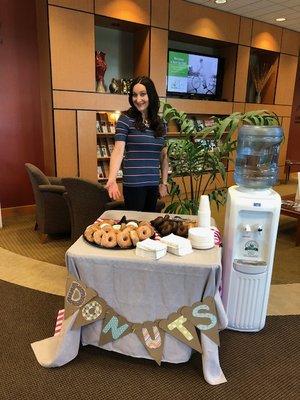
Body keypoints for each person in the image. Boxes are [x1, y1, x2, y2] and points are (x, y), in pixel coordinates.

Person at [105, 76, 169, 212]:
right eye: (134, 95)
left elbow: (163, 156)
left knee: (149, 225)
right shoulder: (125, 120)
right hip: (133, 184)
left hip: (153, 184)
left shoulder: (161, 124)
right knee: (134, 225)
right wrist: (112, 179)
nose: (138, 99)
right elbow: (118, 150)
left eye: (143, 94)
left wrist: (164, 182)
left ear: (151, 95)